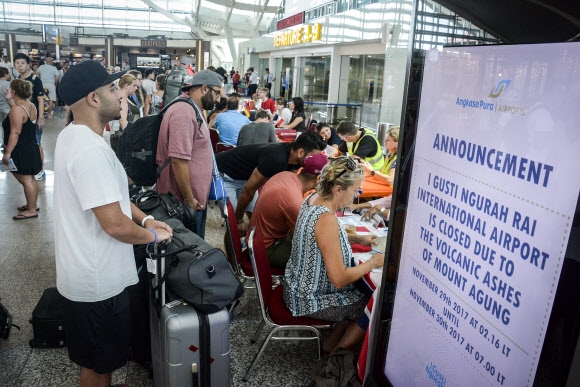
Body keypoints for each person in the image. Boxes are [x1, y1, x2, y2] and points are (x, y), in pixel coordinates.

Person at [54, 60, 172, 387]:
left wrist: (146, 217)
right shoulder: (89, 150)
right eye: (112, 88)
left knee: (99, 360)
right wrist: (151, 234)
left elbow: (114, 198)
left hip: (91, 276)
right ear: (93, 99)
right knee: (97, 366)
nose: (120, 94)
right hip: (96, 285)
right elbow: (114, 225)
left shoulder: (76, 135)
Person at [284, 156, 384, 353]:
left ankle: (331, 345)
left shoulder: (312, 198)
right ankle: (334, 361)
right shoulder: (326, 218)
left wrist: (357, 239)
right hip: (309, 301)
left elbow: (321, 239)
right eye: (355, 191)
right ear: (338, 189)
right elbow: (339, 279)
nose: (356, 195)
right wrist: (373, 262)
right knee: (371, 304)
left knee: (360, 292)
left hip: (296, 287)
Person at [215, 130, 327, 233]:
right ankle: (235, 251)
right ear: (301, 152)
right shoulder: (276, 158)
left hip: (244, 177)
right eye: (314, 157)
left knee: (256, 218)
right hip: (225, 173)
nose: (315, 160)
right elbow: (248, 191)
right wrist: (239, 220)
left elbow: (291, 185)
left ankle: (250, 241)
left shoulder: (297, 160)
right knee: (233, 221)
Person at [156, 69, 223, 238]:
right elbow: (178, 160)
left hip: (191, 201)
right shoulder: (184, 112)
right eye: (217, 93)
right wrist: (189, 199)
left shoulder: (193, 109)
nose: (219, 99)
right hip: (183, 203)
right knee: (190, 256)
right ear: (204, 89)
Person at [248, 153, 329, 268]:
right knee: (321, 257)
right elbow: (305, 239)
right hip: (266, 251)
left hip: (256, 240)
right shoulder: (294, 202)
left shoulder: (285, 175)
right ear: (319, 178)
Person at [2, 79, 43, 219]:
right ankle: (32, 204)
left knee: (26, 179)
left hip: (20, 149)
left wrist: (7, 153)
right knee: (30, 178)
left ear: (14, 91)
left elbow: (15, 132)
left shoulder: (17, 110)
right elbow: (19, 113)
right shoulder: (30, 105)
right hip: (31, 146)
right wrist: (9, 100)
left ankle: (31, 210)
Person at [13, 53, 45, 180]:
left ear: (28, 65)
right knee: (24, 143)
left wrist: (41, 118)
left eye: (22, 63)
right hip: (19, 118)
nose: (20, 66)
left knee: (37, 142)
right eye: (17, 63)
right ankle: (29, 167)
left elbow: (41, 100)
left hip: (33, 117)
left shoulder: (35, 80)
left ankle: (40, 169)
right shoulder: (15, 81)